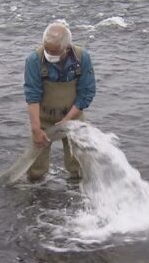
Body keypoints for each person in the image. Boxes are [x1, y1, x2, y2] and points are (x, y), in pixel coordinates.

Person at [23, 21, 96, 181]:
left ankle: (77, 193)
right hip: (43, 119)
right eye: (47, 49)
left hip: (73, 116)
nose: (49, 54)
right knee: (35, 169)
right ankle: (37, 195)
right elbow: (32, 95)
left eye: (54, 51)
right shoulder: (34, 60)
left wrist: (67, 120)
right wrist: (36, 129)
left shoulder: (82, 58)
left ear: (67, 48)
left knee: (78, 166)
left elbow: (87, 92)